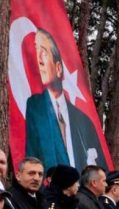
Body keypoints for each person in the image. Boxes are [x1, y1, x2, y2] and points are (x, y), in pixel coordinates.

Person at [25, 28, 107, 171]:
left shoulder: (83, 121)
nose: (39, 60)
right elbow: (30, 158)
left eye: (43, 53)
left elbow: (100, 171)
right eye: (36, 52)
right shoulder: (35, 108)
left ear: (58, 68)